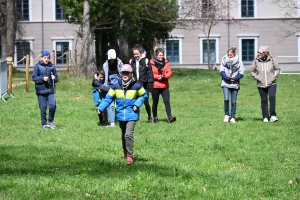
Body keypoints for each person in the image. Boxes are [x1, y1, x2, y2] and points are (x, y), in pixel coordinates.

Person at [97, 64, 148, 164]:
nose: (125, 74)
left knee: (129, 134)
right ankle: (125, 151)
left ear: (131, 74)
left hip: (132, 114)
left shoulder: (136, 86)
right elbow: (108, 99)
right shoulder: (116, 86)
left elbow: (144, 95)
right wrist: (100, 108)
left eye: (127, 73)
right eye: (123, 73)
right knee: (124, 134)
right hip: (120, 115)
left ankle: (130, 156)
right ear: (120, 74)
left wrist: (137, 104)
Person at [250, 45, 280, 122]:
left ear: (265, 53)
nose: (259, 54)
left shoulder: (272, 60)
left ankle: (273, 115)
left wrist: (274, 76)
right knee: (264, 100)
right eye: (258, 52)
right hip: (261, 84)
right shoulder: (256, 61)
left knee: (272, 97)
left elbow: (277, 69)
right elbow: (252, 71)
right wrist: (257, 78)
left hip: (272, 83)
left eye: (260, 52)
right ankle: (265, 116)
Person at [32, 50, 58, 129]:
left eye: (48, 58)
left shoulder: (52, 67)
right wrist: (42, 78)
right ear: (41, 58)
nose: (46, 59)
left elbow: (56, 77)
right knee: (43, 108)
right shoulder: (37, 66)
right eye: (45, 58)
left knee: (53, 106)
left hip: (50, 91)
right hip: (41, 91)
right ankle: (44, 124)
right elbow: (34, 77)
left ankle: (50, 121)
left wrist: (55, 78)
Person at [150, 47, 176, 123]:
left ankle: (170, 117)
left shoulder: (166, 63)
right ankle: (155, 117)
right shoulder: (151, 63)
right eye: (159, 55)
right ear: (156, 55)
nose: (161, 57)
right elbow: (151, 74)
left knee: (167, 101)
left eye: (162, 55)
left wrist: (164, 76)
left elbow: (169, 72)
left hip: (164, 85)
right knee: (155, 102)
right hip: (155, 86)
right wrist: (159, 77)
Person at [129, 44, 154, 123]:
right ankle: (137, 118)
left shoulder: (146, 61)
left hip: (144, 85)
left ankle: (149, 116)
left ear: (141, 53)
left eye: (137, 54)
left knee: (146, 102)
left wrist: (150, 84)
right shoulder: (131, 61)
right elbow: (130, 73)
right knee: (135, 102)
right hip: (135, 85)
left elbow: (150, 73)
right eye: (134, 54)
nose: (135, 56)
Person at [220, 46, 244, 123]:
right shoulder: (224, 60)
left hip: (235, 84)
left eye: (230, 54)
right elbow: (221, 71)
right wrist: (227, 78)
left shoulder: (239, 61)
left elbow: (241, 73)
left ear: (234, 54)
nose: (229, 55)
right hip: (225, 83)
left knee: (233, 102)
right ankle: (226, 115)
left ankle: (232, 117)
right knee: (226, 99)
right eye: (228, 54)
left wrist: (235, 78)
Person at [103, 49, 123, 127]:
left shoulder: (120, 63)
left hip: (119, 85)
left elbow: (123, 73)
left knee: (119, 103)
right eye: (110, 59)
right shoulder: (105, 65)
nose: (111, 60)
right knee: (110, 104)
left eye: (113, 59)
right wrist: (105, 87)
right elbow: (105, 77)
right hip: (109, 86)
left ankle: (118, 119)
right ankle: (112, 122)